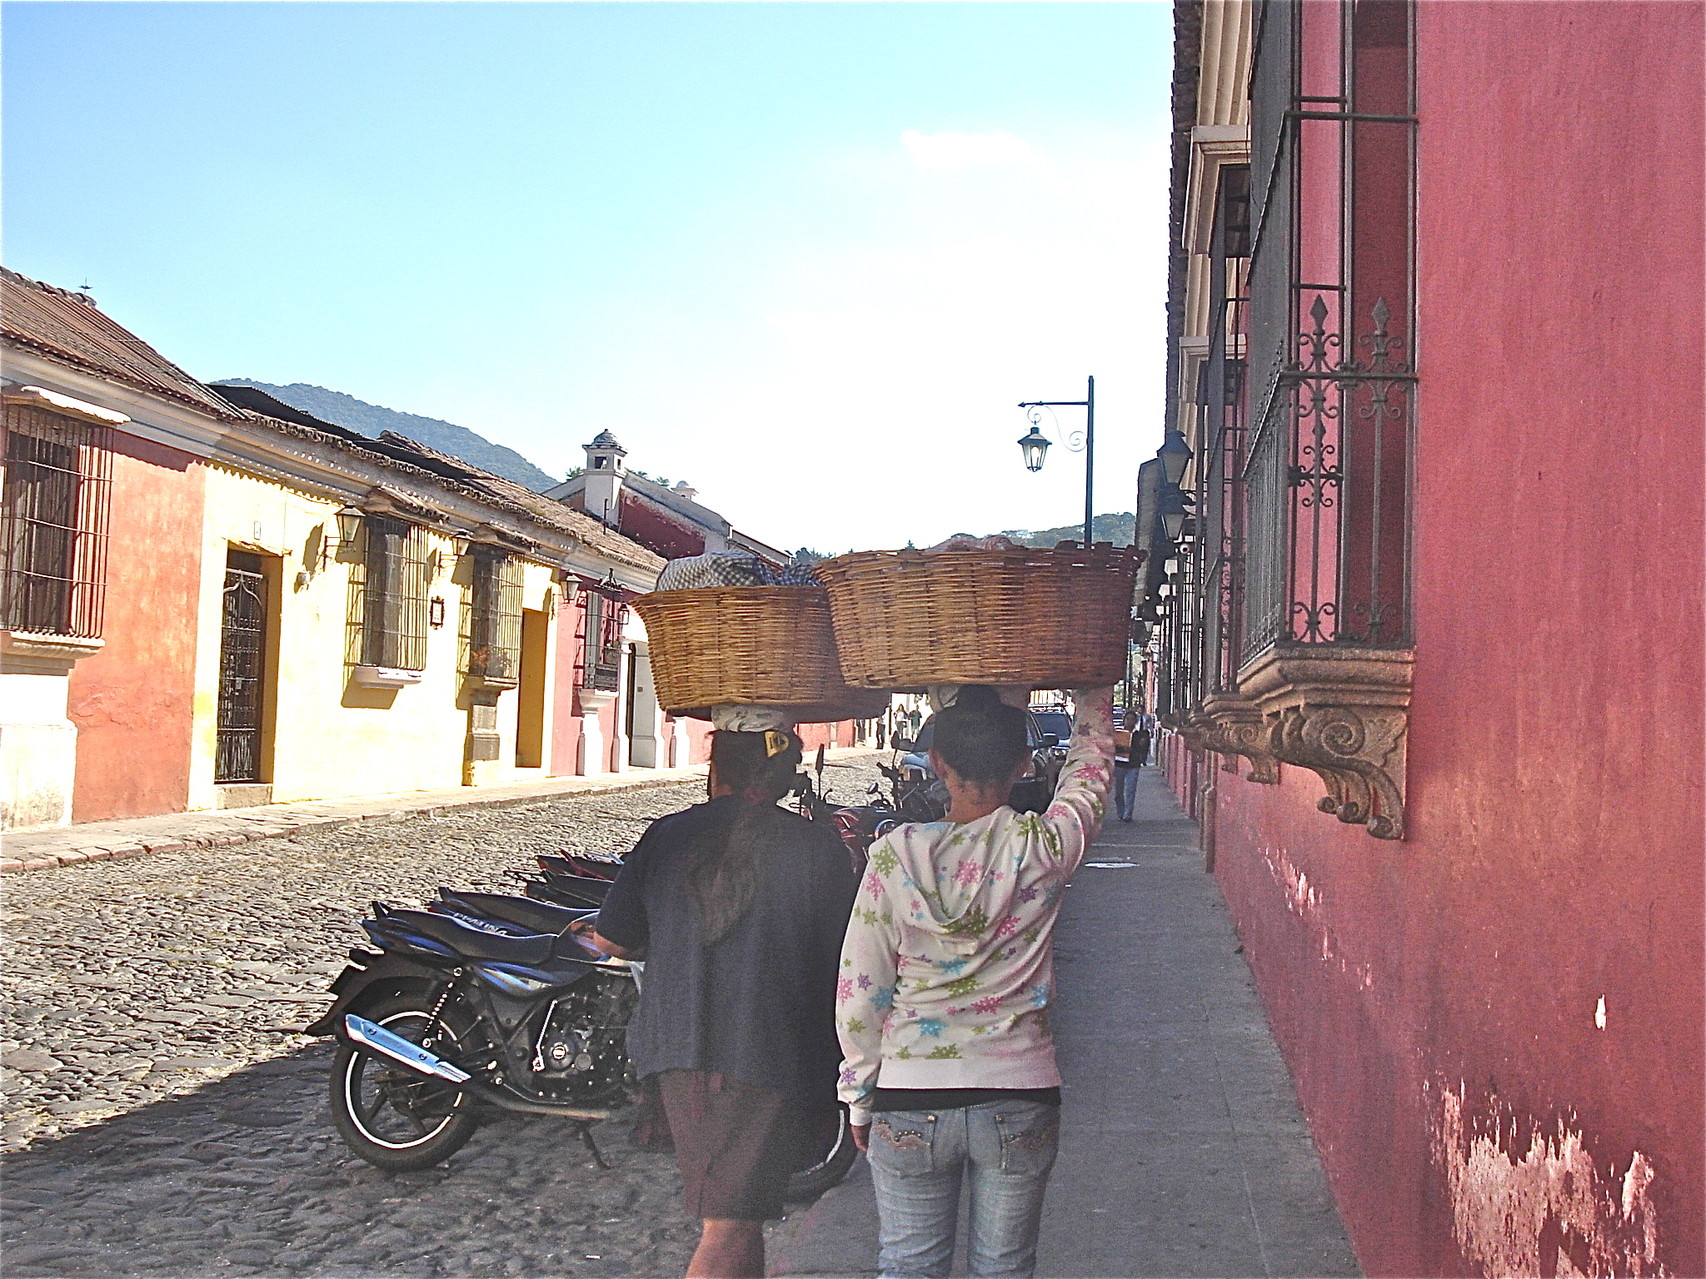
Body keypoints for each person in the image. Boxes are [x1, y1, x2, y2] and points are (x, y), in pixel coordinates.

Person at [836, 684, 1115, 1278]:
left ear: (937, 764)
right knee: (1006, 1269)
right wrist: (1094, 693)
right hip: (1019, 1094)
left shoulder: (893, 856)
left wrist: (860, 1095)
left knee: (909, 1266)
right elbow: (1090, 774)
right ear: (1024, 764)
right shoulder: (1043, 847)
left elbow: (861, 992)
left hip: (909, 1095)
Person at [593, 728, 858, 1279]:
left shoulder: (667, 836)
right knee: (732, 1221)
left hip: (684, 1049)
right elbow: (843, 957)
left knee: (739, 1216)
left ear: (716, 772)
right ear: (788, 779)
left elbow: (611, 940)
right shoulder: (815, 847)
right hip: (774, 1055)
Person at [1112, 708, 1141, 823]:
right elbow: (1112, 746)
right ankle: (1121, 811)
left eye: (1132, 719)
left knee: (1130, 789)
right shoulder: (1118, 733)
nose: (1130, 722)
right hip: (1120, 764)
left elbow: (1142, 748)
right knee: (1119, 791)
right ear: (1124, 720)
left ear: (1135, 721)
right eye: (1127, 719)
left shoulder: (1139, 734)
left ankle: (1128, 814)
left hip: (1133, 765)